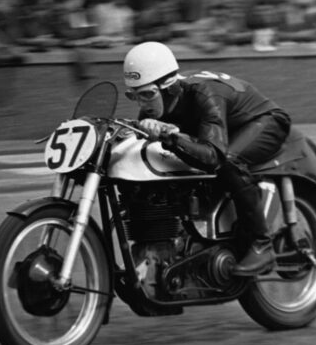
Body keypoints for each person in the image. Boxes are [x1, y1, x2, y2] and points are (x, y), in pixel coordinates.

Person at [122, 41, 291, 276]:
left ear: (169, 87)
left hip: (265, 120)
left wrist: (172, 137)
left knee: (229, 161)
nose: (142, 104)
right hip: (226, 129)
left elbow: (213, 156)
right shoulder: (153, 109)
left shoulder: (204, 94)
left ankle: (262, 244)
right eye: (134, 96)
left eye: (148, 94)